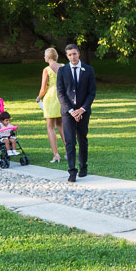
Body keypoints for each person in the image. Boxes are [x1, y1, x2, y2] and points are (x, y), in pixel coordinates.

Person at [56, 44, 96, 182]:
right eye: (69, 55)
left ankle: (83, 167)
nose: (72, 57)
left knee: (82, 139)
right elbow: (60, 93)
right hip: (68, 112)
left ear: (78, 53)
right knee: (70, 141)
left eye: (74, 54)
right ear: (67, 56)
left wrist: (82, 109)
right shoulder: (62, 71)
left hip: (83, 111)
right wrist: (72, 111)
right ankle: (72, 171)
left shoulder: (88, 70)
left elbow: (92, 92)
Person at [36, 47, 65, 163]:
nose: (44, 57)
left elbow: (43, 88)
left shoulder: (47, 69)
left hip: (51, 97)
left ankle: (56, 154)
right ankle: (69, 151)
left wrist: (39, 97)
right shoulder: (63, 67)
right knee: (61, 125)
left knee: (50, 127)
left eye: (44, 55)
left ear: (48, 57)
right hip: (61, 96)